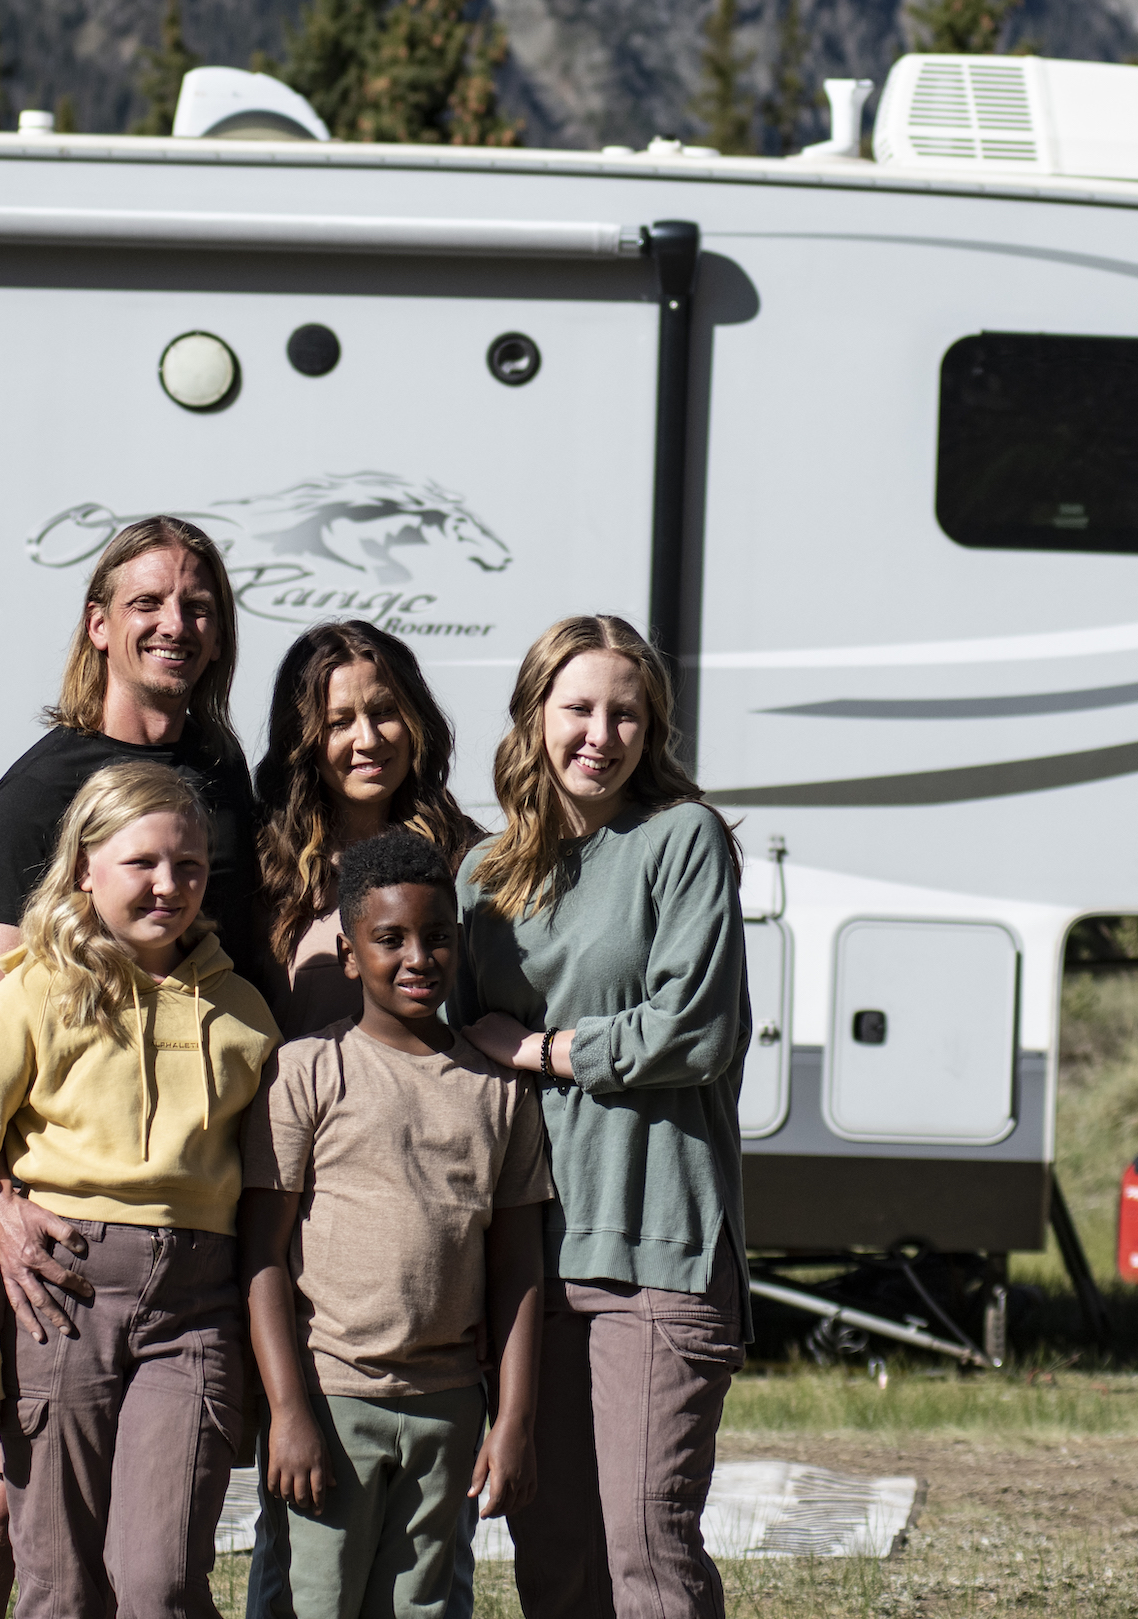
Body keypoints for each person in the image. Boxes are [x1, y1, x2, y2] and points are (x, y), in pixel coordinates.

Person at [0, 514, 272, 1619]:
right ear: (99, 626)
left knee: (154, 1570)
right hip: (55, 1243)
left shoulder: (217, 772)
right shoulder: (40, 795)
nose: (178, 623)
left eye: (200, 605)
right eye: (149, 604)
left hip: (186, 1259)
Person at [459, 616, 750, 1619]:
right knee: (554, 1565)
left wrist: (541, 1049)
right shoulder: (484, 878)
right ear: (535, 715)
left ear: (653, 728)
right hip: (526, 1262)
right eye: (577, 708)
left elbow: (694, 1031)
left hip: (655, 1251)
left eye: (625, 713)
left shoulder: (682, 841)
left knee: (646, 1551)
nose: (600, 733)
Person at [239, 829, 552, 1619]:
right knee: (311, 1602)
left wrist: (511, 1420)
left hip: (449, 1406)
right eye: (390, 939)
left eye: (437, 936)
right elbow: (264, 1256)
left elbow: (517, 1268)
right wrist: (287, 1411)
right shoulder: (306, 1071)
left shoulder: (500, 1090)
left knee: (427, 1605)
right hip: (330, 1402)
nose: (419, 956)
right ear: (350, 955)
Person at [250, 622, 488, 1035]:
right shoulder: (258, 870)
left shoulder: (466, 860)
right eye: (339, 722)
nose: (369, 739)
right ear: (302, 739)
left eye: (384, 712)